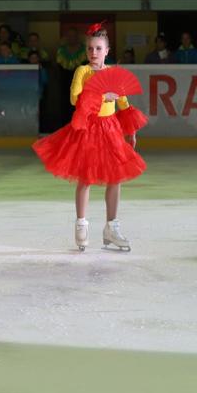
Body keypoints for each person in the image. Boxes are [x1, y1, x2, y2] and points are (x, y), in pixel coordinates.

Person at [32, 23, 148, 251]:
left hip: (111, 130)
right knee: (86, 177)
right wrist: (101, 96)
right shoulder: (82, 72)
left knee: (115, 178)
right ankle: (81, 225)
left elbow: (123, 103)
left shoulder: (114, 73)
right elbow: (75, 99)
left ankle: (111, 228)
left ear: (107, 50)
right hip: (88, 128)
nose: (93, 53)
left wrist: (131, 130)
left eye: (98, 48)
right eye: (90, 49)